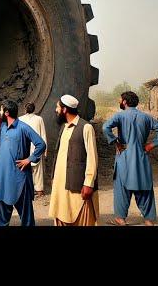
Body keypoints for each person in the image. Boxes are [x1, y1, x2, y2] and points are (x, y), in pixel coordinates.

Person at [103, 91, 158, 226]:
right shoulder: (146, 117)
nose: (119, 102)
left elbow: (105, 127)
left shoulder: (120, 116)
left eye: (120, 100)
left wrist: (115, 141)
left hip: (124, 156)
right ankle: (149, 220)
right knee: (144, 186)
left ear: (125, 102)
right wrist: (151, 145)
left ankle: (120, 219)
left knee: (122, 188)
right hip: (141, 156)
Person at [49, 95, 100, 226]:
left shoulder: (86, 127)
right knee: (61, 214)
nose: (56, 110)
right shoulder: (64, 127)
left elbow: (92, 157)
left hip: (78, 185)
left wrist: (89, 183)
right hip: (61, 185)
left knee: (80, 218)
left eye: (58, 107)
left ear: (65, 110)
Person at [0, 99, 46, 227]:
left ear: (6, 112)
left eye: (1, 110)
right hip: (3, 178)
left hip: (19, 179)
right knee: (1, 217)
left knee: (27, 218)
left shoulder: (23, 128)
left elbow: (41, 144)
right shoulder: (3, 127)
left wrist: (29, 159)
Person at [18, 102, 47, 196]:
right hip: (37, 147)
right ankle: (39, 190)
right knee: (38, 170)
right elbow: (43, 135)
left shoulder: (20, 119)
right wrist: (45, 151)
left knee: (24, 169)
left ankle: (25, 189)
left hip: (24, 147)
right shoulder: (39, 119)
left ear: (25, 109)